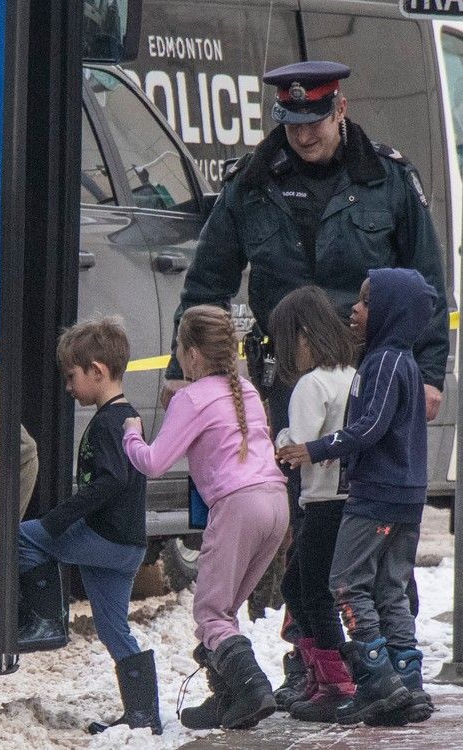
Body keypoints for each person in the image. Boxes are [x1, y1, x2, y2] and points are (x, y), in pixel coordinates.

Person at [160, 60, 449, 701]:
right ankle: (313, 661)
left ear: (339, 109)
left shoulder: (388, 179)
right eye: (292, 123)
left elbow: (428, 283)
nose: (304, 135)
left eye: (315, 121)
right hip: (284, 381)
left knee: (363, 523)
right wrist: (187, 372)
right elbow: (207, 281)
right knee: (300, 524)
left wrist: (431, 376)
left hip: (374, 378)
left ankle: (379, 662)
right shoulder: (253, 183)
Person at [278, 268, 437, 726]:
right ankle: (409, 685)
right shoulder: (401, 361)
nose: (354, 309)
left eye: (366, 302)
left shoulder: (384, 361)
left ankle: (377, 681)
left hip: (376, 497)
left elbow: (369, 428)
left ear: (389, 311)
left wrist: (315, 448)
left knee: (345, 585)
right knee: (390, 590)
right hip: (405, 498)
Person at [123, 305, 287, 731]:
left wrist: (130, 433)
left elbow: (155, 463)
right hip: (276, 503)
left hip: (238, 506)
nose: (177, 355)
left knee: (211, 614)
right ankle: (228, 700)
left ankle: (251, 688)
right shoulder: (246, 390)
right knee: (225, 610)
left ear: (193, 354)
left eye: (178, 347)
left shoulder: (191, 398)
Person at [17, 317, 160, 735]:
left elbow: (113, 479)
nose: (68, 386)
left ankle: (43, 619)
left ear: (97, 371)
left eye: (71, 376)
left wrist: (61, 517)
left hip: (105, 537)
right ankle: (143, 714)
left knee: (22, 538)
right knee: (113, 629)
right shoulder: (128, 418)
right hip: (129, 545)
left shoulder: (107, 423)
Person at [269, 286, 357, 722]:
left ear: (303, 337)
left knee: (311, 592)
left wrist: (281, 437)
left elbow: (296, 444)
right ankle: (320, 673)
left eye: (286, 342)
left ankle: (336, 682)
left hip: (321, 501)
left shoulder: (312, 383)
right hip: (349, 500)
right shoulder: (351, 376)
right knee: (297, 587)